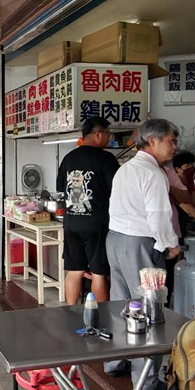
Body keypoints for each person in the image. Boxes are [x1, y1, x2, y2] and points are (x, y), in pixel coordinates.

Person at [106, 119, 181, 390]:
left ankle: (116, 361)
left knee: (122, 304)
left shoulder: (126, 169)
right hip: (140, 243)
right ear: (153, 141)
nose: (174, 146)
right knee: (150, 311)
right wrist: (170, 244)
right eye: (171, 141)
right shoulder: (153, 174)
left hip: (115, 240)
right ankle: (147, 383)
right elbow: (159, 216)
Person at [56, 116, 120, 305]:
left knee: (75, 270)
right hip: (97, 224)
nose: (109, 138)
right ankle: (102, 314)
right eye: (108, 134)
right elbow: (118, 189)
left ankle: (70, 310)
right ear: (98, 134)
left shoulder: (69, 158)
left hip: (72, 223)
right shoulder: (106, 159)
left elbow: (60, 188)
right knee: (99, 272)